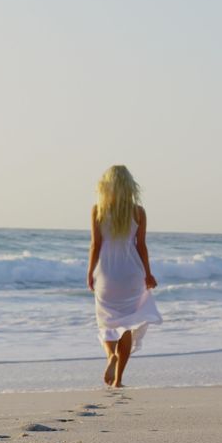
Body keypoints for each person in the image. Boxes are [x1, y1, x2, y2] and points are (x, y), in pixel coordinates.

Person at [87, 165, 162, 388]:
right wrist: (148, 274)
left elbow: (95, 245)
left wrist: (90, 273)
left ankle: (111, 355)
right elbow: (142, 246)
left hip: (107, 272)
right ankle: (118, 380)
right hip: (131, 273)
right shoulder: (138, 211)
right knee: (127, 324)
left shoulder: (98, 210)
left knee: (106, 323)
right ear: (130, 186)